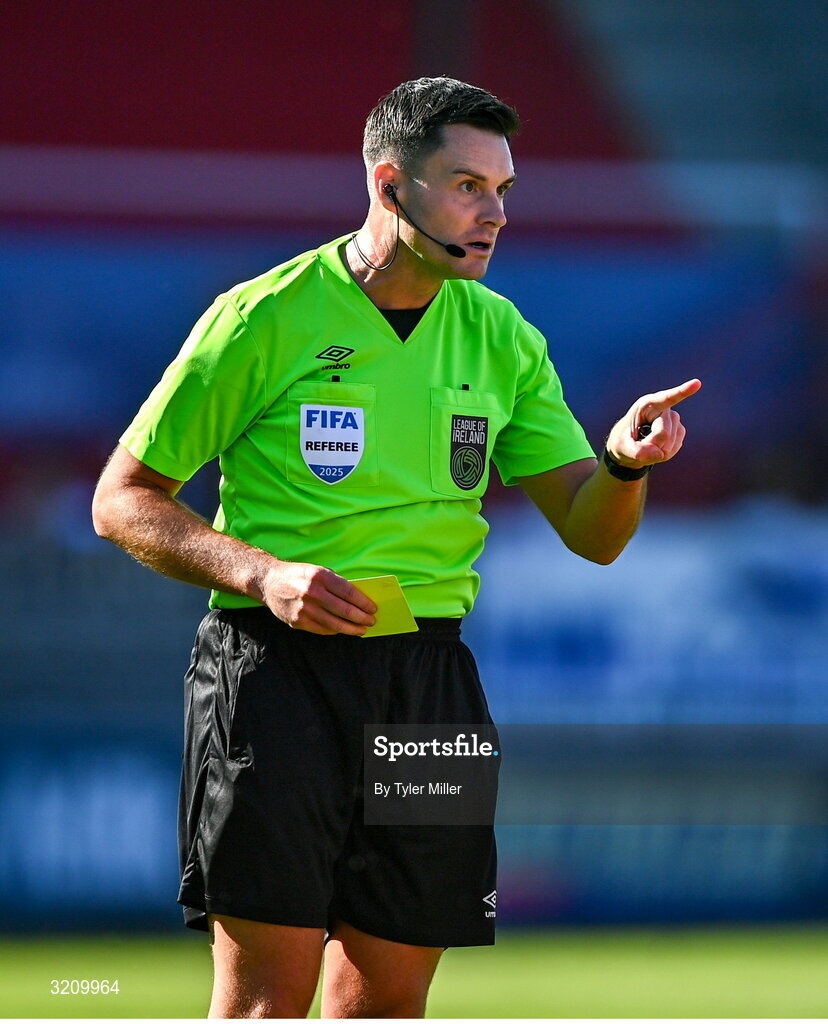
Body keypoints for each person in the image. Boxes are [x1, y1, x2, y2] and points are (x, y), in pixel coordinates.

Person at [92, 76, 700, 1018]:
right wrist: (262, 572)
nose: (495, 213)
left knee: (389, 1000)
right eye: (467, 187)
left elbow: (594, 535)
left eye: (502, 191)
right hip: (274, 676)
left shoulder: (503, 335)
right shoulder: (263, 315)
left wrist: (622, 464)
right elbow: (122, 501)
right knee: (264, 999)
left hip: (430, 684)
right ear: (389, 185)